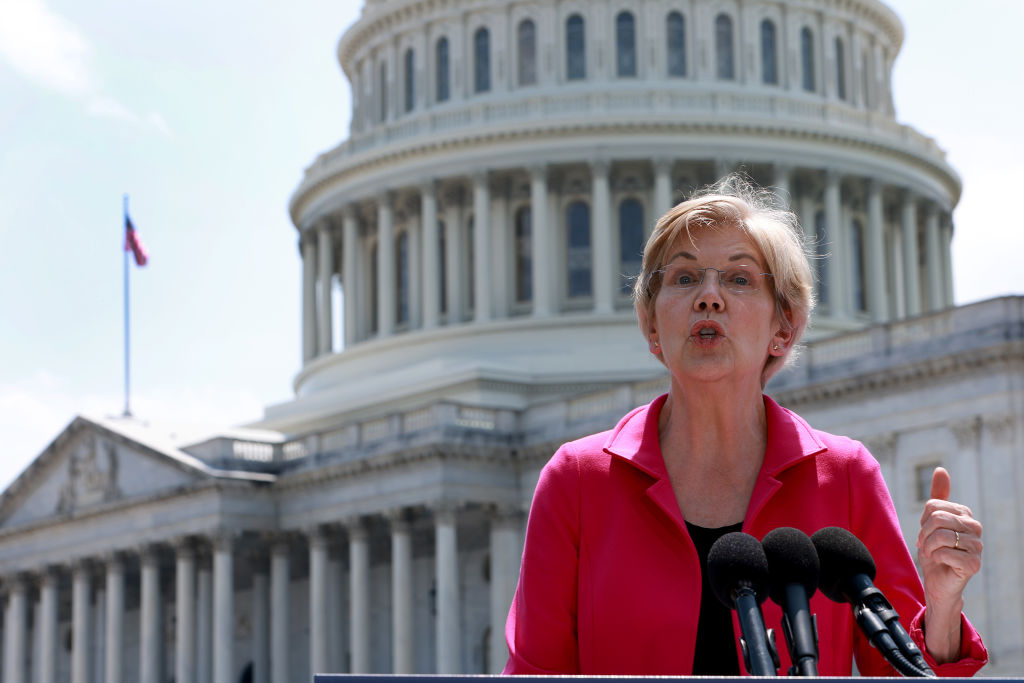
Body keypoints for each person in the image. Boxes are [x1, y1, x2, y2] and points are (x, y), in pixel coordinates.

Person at [502, 176, 987, 676]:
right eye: (684, 278)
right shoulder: (577, 482)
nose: (709, 297)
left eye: (739, 279)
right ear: (651, 325)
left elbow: (903, 673)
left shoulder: (845, 477)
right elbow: (534, 672)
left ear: (783, 328)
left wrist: (945, 601)